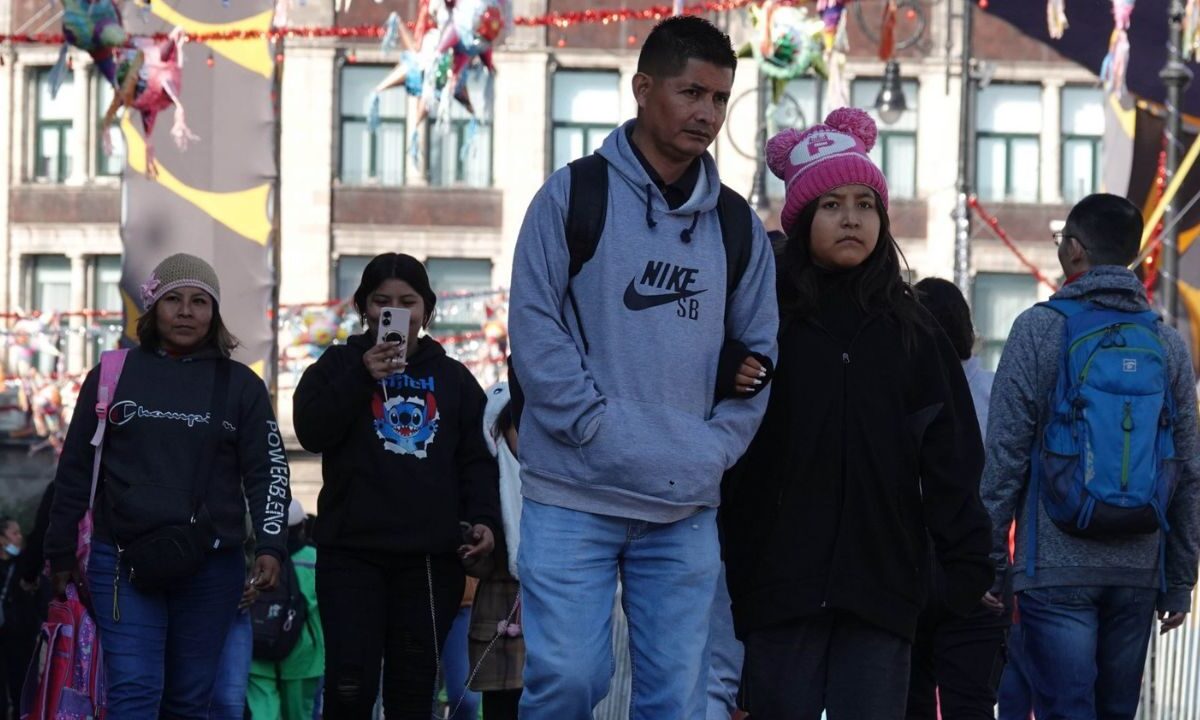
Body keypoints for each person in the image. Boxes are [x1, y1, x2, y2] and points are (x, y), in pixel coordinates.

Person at [508, 14, 779, 719]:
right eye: (692, 93)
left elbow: (762, 354)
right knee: (567, 681)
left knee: (677, 700)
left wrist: (712, 448)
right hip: (573, 492)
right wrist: (593, 428)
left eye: (720, 99)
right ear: (642, 87)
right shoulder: (571, 196)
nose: (708, 114)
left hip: (683, 504)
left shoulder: (737, 225)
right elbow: (534, 328)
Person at [721, 108, 993, 719]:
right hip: (777, 587)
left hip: (882, 590)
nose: (851, 217)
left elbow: (953, 458)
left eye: (866, 204)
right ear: (801, 216)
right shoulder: (763, 321)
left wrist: (962, 573)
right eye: (833, 204)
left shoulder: (914, 330)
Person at [981, 193, 1200, 719]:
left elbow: (1006, 452)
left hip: (1054, 566)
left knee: (1064, 708)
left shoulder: (1039, 328)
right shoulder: (1167, 344)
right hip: (1138, 568)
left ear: (1074, 251)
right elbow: (1188, 470)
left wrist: (990, 562)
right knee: (1116, 711)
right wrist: (1180, 579)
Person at [44, 253, 290, 719]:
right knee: (135, 694)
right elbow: (75, 469)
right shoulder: (112, 376)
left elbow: (268, 471)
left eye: (200, 301)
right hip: (120, 560)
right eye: (173, 299)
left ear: (214, 313)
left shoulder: (241, 385)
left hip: (211, 567)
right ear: (152, 308)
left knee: (189, 701)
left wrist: (272, 546)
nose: (185, 311)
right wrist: (59, 552)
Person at [292, 252, 500, 720]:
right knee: (349, 687)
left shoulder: (455, 379)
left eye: (408, 302)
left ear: (427, 310)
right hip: (350, 554)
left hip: (428, 560)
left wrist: (485, 520)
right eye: (382, 301)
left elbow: (478, 461)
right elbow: (312, 430)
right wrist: (361, 375)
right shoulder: (335, 366)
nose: (396, 312)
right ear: (364, 308)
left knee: (413, 692)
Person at [904, 277, 1008, 719]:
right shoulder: (995, 392)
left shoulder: (901, 391)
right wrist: (992, 568)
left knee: (911, 702)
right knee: (972, 703)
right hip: (977, 571)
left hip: (908, 573)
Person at [467, 381, 525, 720]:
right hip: (500, 618)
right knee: (501, 710)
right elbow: (477, 563)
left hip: (552, 619)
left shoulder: (560, 479)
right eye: (519, 425)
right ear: (499, 432)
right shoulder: (489, 484)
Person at [247, 499, 323, 720]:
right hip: (304, 658)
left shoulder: (254, 558)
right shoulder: (314, 559)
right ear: (301, 527)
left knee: (263, 712)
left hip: (258, 649)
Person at [0, 518, 37, 720]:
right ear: (1, 539)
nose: (19, 537)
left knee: (20, 685)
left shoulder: (25, 565)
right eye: (14, 533)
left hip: (21, 635)